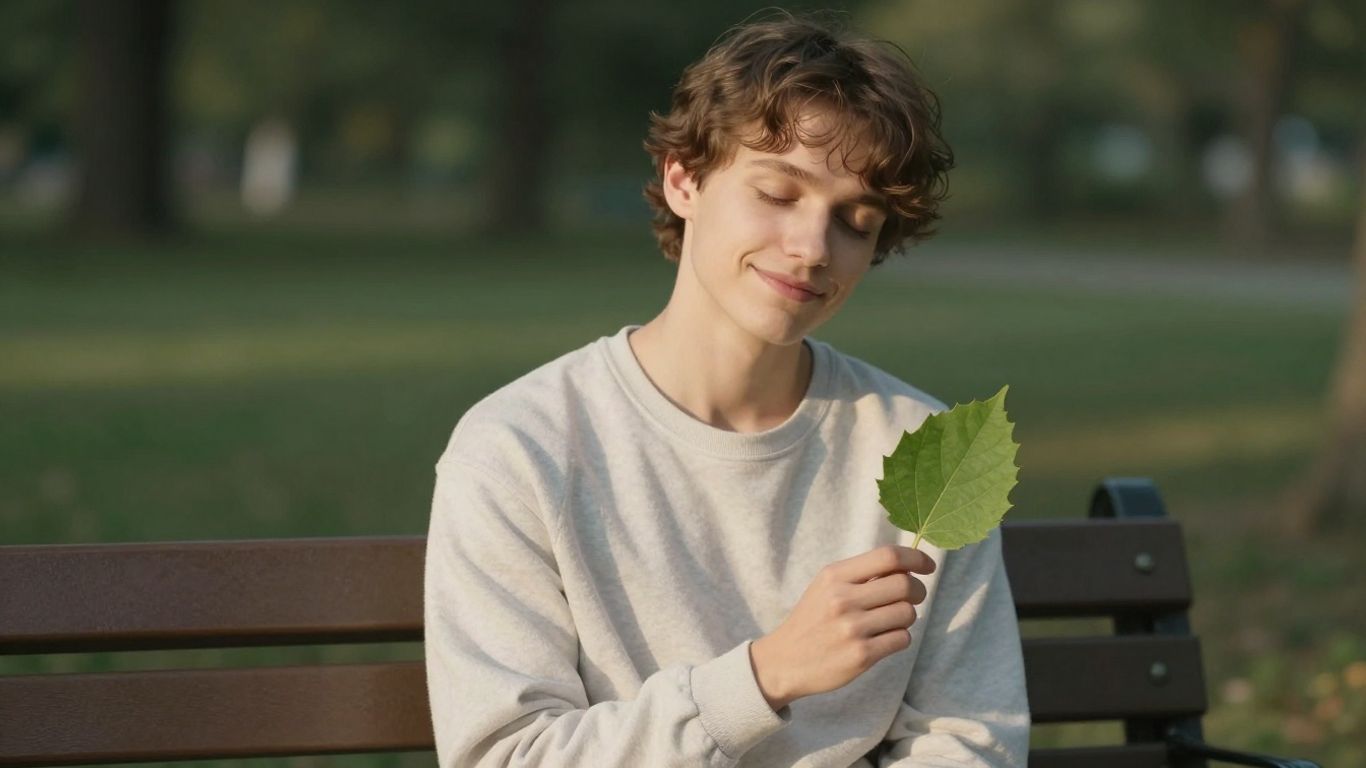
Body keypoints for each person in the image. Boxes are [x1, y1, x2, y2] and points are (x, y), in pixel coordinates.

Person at [423, 10, 1029, 767]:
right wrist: (764, 677)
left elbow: (970, 740)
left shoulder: (926, 449)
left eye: (855, 219)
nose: (812, 248)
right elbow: (505, 757)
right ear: (684, 180)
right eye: (777, 192)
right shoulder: (523, 450)